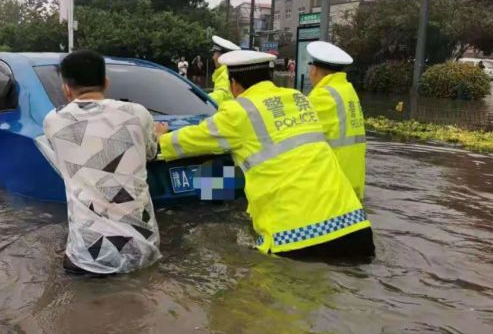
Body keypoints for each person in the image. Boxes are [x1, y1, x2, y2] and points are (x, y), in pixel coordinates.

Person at [155, 50, 374, 261]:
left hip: (300, 238)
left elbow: (189, 140)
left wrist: (159, 138)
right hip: (355, 227)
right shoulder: (299, 99)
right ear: (270, 77)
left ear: (234, 84)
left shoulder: (237, 112)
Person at [43, 50, 161, 275]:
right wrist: (157, 133)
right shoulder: (138, 113)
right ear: (106, 82)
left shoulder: (53, 120)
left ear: (66, 88)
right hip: (142, 247)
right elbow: (150, 153)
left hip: (88, 253)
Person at [306, 41, 366, 200]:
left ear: (314, 70)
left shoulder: (322, 96)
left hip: (332, 186)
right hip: (353, 181)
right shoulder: (348, 90)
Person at [209, 35, 240, 106]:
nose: (213, 58)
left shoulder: (225, 75)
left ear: (223, 56)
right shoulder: (228, 71)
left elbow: (221, 94)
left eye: (215, 54)